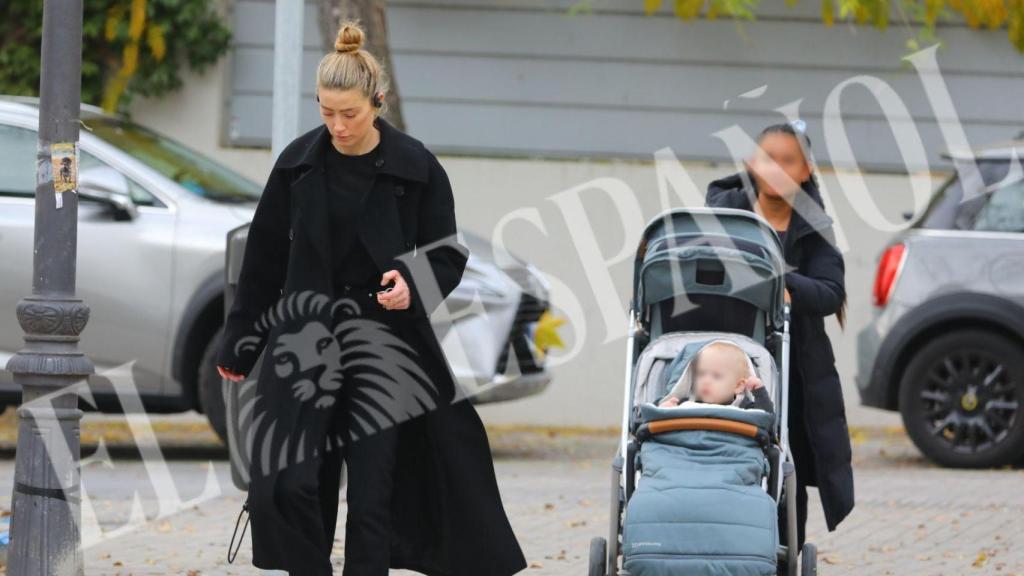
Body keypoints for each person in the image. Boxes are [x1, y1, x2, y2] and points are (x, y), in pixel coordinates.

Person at [215, 20, 527, 576]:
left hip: (386, 345)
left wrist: (413, 283)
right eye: (325, 112)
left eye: (349, 114)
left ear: (377, 102)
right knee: (287, 481)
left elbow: (446, 253)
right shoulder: (296, 164)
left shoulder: (416, 166)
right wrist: (241, 342)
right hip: (305, 341)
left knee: (375, 490)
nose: (337, 126)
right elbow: (262, 260)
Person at [704, 121, 854, 555]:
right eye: (768, 158)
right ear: (752, 163)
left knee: (787, 465)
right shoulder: (723, 214)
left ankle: (785, 552)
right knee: (730, 459)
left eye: (788, 161)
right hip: (731, 361)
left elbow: (830, 291)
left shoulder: (814, 225)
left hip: (795, 370)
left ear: (805, 170)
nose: (776, 168)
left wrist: (785, 284)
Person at [657, 341, 772, 411]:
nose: (705, 381)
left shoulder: (744, 407)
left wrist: (759, 392)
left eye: (716, 376)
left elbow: (765, 419)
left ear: (738, 386)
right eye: (701, 374)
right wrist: (664, 410)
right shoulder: (685, 404)